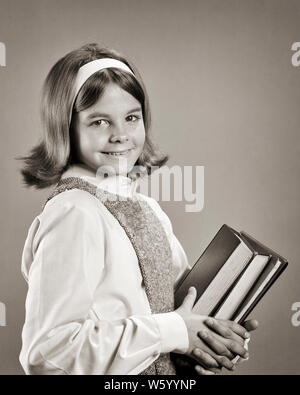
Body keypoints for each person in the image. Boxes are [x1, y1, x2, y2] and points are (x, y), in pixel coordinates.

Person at [19, 43, 258, 375]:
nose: (121, 135)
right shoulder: (74, 213)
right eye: (99, 122)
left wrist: (211, 335)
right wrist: (174, 331)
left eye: (131, 117)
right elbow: (48, 353)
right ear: (66, 129)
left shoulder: (148, 208)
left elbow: (180, 313)